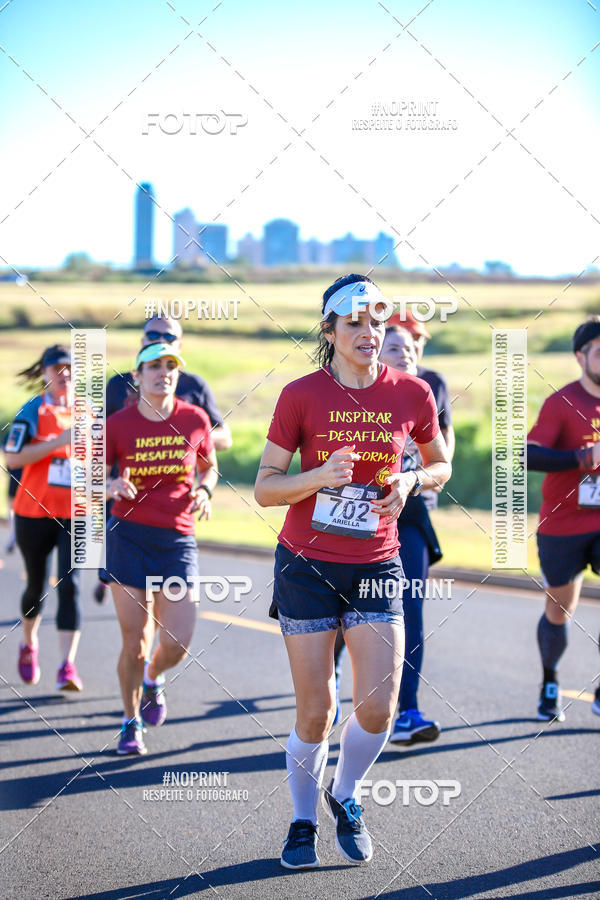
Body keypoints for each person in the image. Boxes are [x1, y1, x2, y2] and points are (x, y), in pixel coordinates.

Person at [254, 274, 451, 869]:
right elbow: (265, 489)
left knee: (378, 707)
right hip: (306, 565)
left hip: (375, 562)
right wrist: (318, 476)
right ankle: (302, 819)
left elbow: (439, 464)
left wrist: (411, 480)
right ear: (330, 331)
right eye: (355, 324)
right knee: (316, 712)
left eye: (377, 323)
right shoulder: (300, 395)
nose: (370, 334)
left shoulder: (411, 393)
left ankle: (346, 793)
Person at [103, 342, 218, 755]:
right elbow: (92, 476)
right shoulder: (118, 424)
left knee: (177, 641)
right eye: (153, 366)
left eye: (170, 366)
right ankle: (129, 721)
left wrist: (204, 489)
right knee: (134, 640)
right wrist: (110, 485)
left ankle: (154, 676)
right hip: (128, 535)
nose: (163, 372)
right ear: (137, 375)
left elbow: (208, 465)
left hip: (176, 539)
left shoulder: (194, 418)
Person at [94, 314, 231, 604]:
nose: (161, 340)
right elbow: (100, 438)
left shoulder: (193, 387)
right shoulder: (118, 385)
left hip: (174, 508)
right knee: (130, 601)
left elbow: (224, 438)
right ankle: (110, 579)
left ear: (179, 344)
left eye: (169, 338)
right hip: (124, 497)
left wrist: (183, 442)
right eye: (154, 335)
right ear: (142, 342)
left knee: (172, 622)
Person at [527, 315, 600, 722]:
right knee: (560, 610)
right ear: (581, 356)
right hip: (563, 525)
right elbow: (529, 454)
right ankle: (550, 680)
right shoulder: (562, 402)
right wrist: (580, 458)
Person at [4, 345, 83, 691]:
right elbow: (12, 459)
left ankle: (67, 666)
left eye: (69, 368)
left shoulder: (89, 411)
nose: (64, 374)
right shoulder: (33, 409)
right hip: (34, 513)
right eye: (57, 368)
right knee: (36, 587)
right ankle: (29, 643)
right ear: (46, 372)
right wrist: (58, 442)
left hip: (78, 514)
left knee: (71, 586)